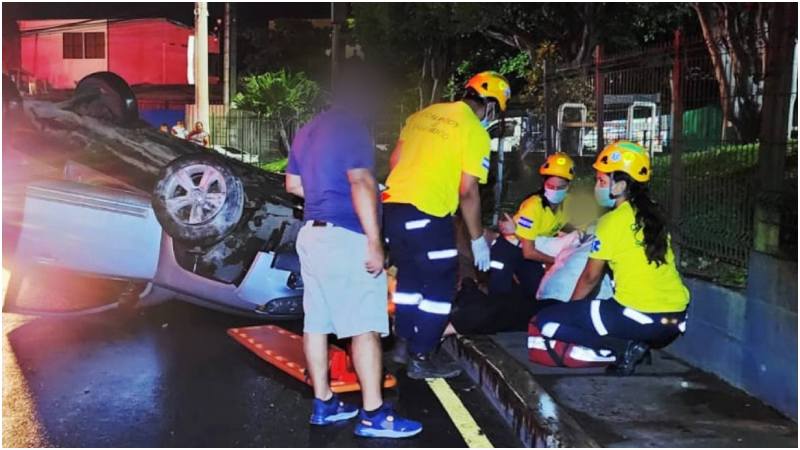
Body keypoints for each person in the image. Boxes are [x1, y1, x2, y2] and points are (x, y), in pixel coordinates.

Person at [285, 62, 421, 438]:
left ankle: (324, 403)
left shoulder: (308, 131)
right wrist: (374, 241)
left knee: (316, 324)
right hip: (346, 237)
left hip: (311, 235)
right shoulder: (354, 128)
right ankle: (373, 413)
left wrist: (325, 194)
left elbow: (293, 185)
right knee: (365, 326)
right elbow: (360, 181)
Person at [383, 71, 511, 379]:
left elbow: (395, 161)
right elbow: (467, 190)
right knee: (440, 287)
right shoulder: (474, 132)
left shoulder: (422, 115)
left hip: (392, 210)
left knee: (410, 280)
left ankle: (401, 346)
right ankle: (421, 355)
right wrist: (477, 239)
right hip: (428, 214)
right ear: (490, 105)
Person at [533, 141, 690, 375]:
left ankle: (623, 348)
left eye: (602, 181)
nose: (597, 186)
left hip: (638, 316)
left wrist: (571, 313)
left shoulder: (611, 222)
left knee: (546, 322)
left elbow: (590, 278)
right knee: (606, 308)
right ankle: (636, 344)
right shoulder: (654, 218)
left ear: (620, 185)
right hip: (674, 320)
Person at [489, 152, 576, 298]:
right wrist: (558, 261)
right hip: (510, 249)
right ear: (544, 183)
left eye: (561, 187)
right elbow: (528, 252)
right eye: (551, 186)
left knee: (536, 291)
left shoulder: (569, 204)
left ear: (568, 186)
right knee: (500, 293)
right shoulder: (533, 206)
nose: (555, 191)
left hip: (534, 251)